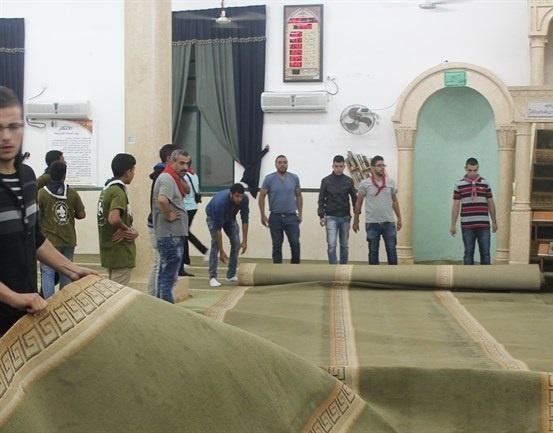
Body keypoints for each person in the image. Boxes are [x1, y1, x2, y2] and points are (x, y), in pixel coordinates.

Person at [0, 86, 96, 337]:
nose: (6, 137)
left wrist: (71, 269)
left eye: (13, 127)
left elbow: (35, 238)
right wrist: (14, 298)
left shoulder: (28, 177)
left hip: (25, 311)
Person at [38, 161, 86, 298]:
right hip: (69, 240)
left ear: (50, 175)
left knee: (48, 272)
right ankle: (64, 301)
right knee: (67, 271)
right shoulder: (72, 193)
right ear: (64, 175)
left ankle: (48, 304)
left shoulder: (42, 193)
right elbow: (82, 215)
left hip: (49, 241)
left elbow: (37, 215)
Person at [152, 149, 190, 303]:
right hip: (170, 236)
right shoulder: (167, 178)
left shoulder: (173, 178)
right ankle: (168, 310)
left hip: (171, 235)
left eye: (187, 163)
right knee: (168, 279)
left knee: (164, 277)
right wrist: (169, 215)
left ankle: (161, 309)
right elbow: (162, 200)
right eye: (181, 163)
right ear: (171, 162)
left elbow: (187, 189)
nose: (185, 167)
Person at [97, 153, 139, 285]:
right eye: (133, 170)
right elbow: (114, 219)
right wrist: (128, 230)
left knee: (112, 291)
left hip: (110, 250)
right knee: (118, 296)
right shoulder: (118, 191)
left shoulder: (107, 189)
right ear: (128, 172)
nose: (134, 174)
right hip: (120, 251)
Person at [353, 155, 402, 265]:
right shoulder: (365, 183)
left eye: (383, 165)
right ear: (372, 168)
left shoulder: (390, 182)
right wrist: (356, 220)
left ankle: (394, 277)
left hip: (388, 222)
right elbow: (358, 202)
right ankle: (373, 278)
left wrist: (399, 218)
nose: (382, 168)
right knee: (373, 252)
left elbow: (394, 201)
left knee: (392, 251)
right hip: (372, 223)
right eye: (379, 165)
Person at [450, 157, 497, 265]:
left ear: (478, 168)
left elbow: (490, 202)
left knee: (485, 254)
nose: (472, 173)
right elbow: (456, 205)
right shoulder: (459, 184)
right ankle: (468, 280)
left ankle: (485, 281)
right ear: (465, 168)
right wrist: (453, 224)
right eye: (470, 170)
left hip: (483, 224)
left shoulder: (485, 183)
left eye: (475, 170)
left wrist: (494, 221)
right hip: (467, 225)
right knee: (468, 253)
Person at [146, 143, 178, 296]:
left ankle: (154, 297)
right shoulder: (163, 176)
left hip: (160, 225)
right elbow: (162, 201)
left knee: (159, 263)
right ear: (169, 158)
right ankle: (155, 300)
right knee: (160, 265)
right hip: (159, 226)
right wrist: (169, 216)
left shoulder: (166, 175)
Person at [258, 155, 302, 264]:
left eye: (285, 162)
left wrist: (300, 213)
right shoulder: (269, 179)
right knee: (277, 245)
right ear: (276, 164)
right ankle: (277, 271)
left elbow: (299, 196)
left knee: (295, 243)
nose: (282, 164)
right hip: (275, 217)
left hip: (291, 217)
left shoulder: (294, 178)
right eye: (280, 162)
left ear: (287, 164)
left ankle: (295, 269)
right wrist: (262, 215)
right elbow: (262, 196)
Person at [206, 183, 249, 287]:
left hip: (230, 218)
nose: (239, 199)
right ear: (231, 194)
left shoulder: (244, 199)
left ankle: (231, 274)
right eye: (237, 196)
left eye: (241, 196)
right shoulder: (220, 202)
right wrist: (221, 251)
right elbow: (218, 229)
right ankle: (212, 277)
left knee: (236, 243)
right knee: (215, 244)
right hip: (213, 217)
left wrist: (244, 241)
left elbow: (245, 220)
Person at [318, 155, 357, 264]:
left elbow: (354, 199)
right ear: (332, 166)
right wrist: (321, 216)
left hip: (345, 218)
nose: (338, 168)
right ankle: (333, 270)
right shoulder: (326, 181)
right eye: (336, 166)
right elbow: (321, 199)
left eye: (340, 166)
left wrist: (356, 216)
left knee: (344, 246)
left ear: (344, 166)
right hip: (330, 217)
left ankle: (342, 270)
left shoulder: (349, 181)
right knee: (331, 245)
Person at [179, 154, 208, 277]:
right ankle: (188, 259)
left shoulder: (184, 176)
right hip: (193, 207)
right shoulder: (194, 174)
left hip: (186, 207)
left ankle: (201, 252)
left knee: (184, 233)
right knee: (185, 233)